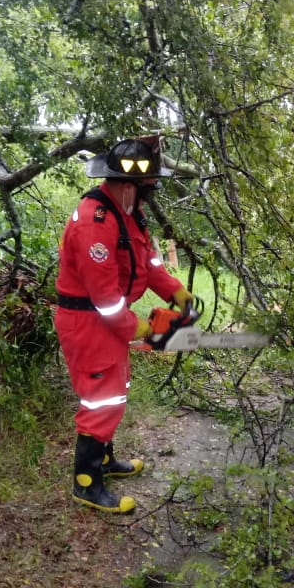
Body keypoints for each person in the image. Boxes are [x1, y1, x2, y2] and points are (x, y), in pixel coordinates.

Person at [53, 136, 193, 513]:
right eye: (146, 188)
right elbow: (105, 297)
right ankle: (86, 483)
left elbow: (148, 262)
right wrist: (139, 328)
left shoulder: (127, 214)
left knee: (114, 393)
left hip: (105, 321)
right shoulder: (94, 223)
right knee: (100, 401)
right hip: (89, 321)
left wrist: (176, 293)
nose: (149, 195)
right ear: (129, 185)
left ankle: (104, 461)